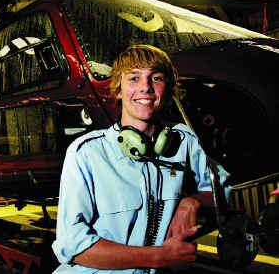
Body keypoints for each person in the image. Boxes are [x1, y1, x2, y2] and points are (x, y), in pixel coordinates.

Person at [52, 44, 230, 273]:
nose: (145, 87)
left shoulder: (185, 141)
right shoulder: (86, 152)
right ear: (118, 90)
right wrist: (158, 257)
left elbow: (223, 192)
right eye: (134, 78)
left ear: (168, 90)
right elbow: (73, 246)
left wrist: (192, 201)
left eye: (156, 78)